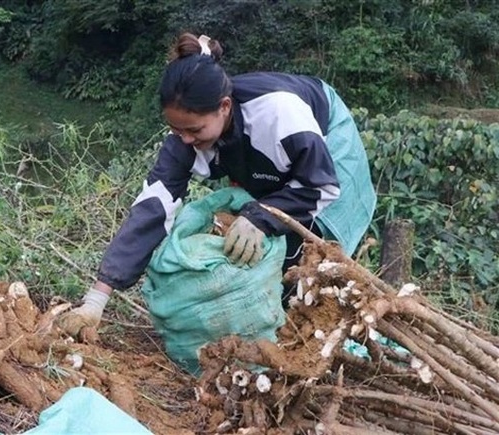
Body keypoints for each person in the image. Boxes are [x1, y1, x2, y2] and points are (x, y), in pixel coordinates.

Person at [58, 33, 376, 337]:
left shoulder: (280, 112)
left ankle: (306, 339)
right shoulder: (184, 137)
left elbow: (319, 185)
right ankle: (262, 335)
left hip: (328, 152)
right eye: (175, 129)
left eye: (194, 130)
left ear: (224, 107)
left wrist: (262, 216)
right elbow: (152, 210)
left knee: (307, 258)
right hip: (265, 160)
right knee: (257, 246)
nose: (185, 139)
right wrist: (96, 300)